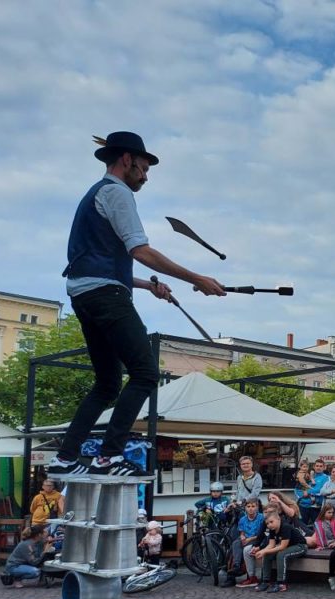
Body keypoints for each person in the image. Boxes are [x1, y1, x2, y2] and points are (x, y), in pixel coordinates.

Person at [48, 132, 226, 477]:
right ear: (126, 160)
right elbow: (141, 252)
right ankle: (109, 456)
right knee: (145, 373)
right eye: (143, 168)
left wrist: (146, 285)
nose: (145, 176)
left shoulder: (94, 195)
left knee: (107, 383)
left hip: (85, 295)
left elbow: (98, 263)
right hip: (105, 295)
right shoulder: (117, 193)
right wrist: (197, 279)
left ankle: (65, 458)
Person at [252, 510, 307, 593]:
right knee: (267, 554)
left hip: (300, 546)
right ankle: (265, 582)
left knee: (281, 554)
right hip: (288, 546)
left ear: (278, 519)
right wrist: (262, 551)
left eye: (271, 522)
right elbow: (271, 545)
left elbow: (282, 546)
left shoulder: (285, 527)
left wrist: (264, 551)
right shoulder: (272, 529)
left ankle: (281, 583)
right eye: (267, 523)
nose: (269, 525)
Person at [234, 498, 266, 588]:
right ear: (245, 508)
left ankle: (251, 576)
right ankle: (236, 565)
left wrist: (249, 539)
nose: (251, 508)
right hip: (247, 539)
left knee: (246, 548)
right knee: (236, 543)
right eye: (248, 506)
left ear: (257, 507)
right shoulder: (243, 519)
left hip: (257, 539)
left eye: (253, 506)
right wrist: (242, 537)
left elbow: (261, 534)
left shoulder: (261, 518)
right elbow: (242, 532)